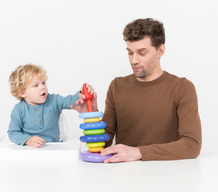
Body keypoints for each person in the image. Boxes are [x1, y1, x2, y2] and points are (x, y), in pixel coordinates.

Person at [77, 18, 202, 163]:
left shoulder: (182, 88)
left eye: (141, 53)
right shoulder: (117, 86)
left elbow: (192, 145)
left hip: (168, 175)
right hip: (124, 175)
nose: (134, 60)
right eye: (130, 53)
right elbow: (104, 145)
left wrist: (138, 152)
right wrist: (91, 113)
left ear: (160, 50)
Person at [8, 64, 94, 148]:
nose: (43, 87)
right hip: (29, 151)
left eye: (43, 83)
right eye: (36, 85)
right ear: (22, 93)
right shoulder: (19, 110)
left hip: (54, 149)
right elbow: (13, 132)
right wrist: (28, 140)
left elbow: (70, 100)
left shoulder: (54, 100)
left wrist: (82, 93)